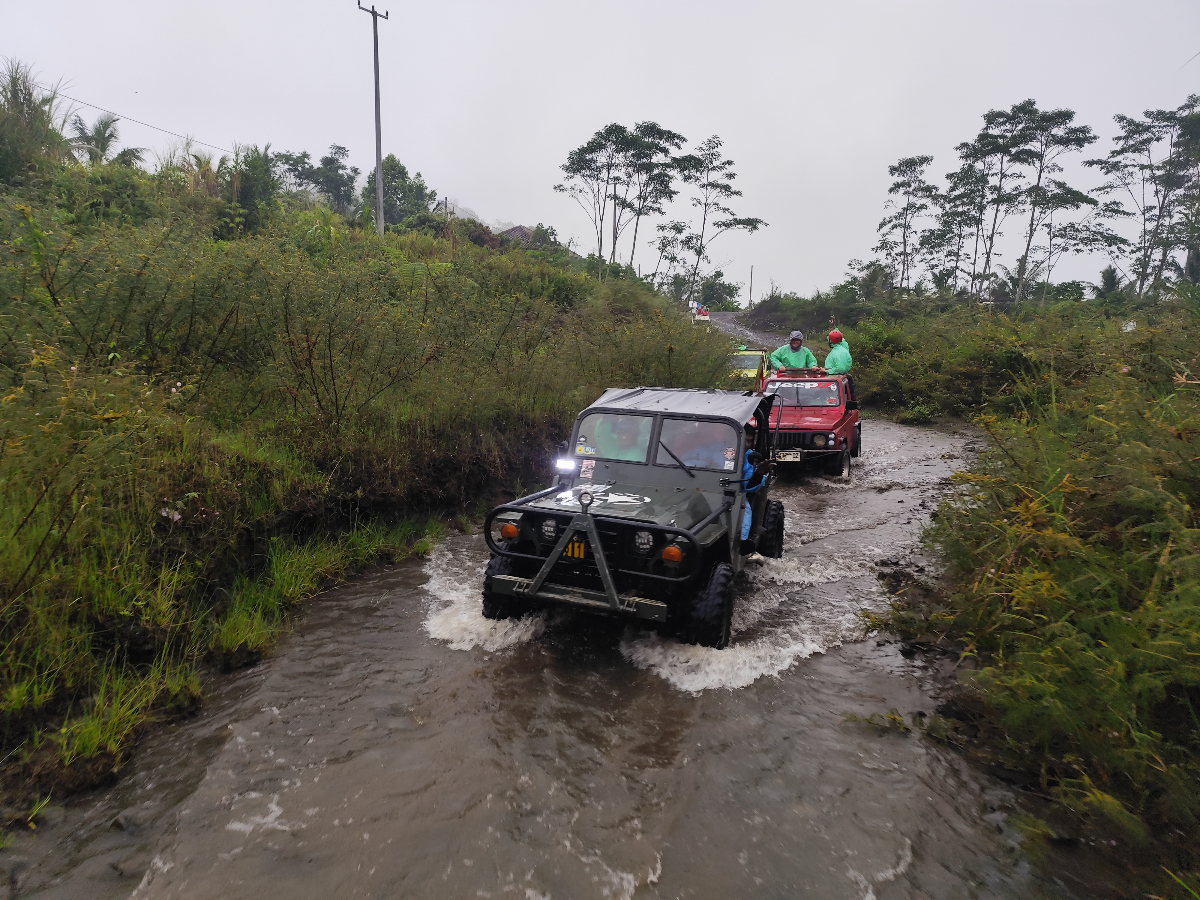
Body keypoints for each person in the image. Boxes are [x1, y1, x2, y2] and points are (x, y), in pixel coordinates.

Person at [739, 423, 769, 563]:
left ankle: (742, 544)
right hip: (704, 490)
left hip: (735, 494)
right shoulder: (715, 449)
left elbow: (748, 485)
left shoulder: (750, 457)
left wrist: (758, 474)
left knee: (744, 510)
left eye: (749, 441)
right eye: (743, 440)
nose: (746, 444)